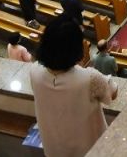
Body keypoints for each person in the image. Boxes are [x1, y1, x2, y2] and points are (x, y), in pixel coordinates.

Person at [29, 15, 118, 157]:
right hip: (88, 148)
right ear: (75, 48)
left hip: (54, 147)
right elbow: (113, 92)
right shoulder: (89, 78)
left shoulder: (34, 70)